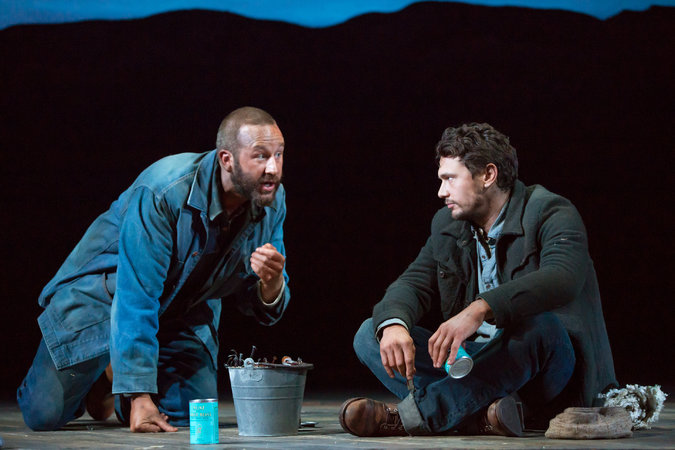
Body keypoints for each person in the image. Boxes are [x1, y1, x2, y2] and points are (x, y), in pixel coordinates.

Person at [17, 106, 291, 433]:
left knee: (192, 415)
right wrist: (139, 394)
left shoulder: (270, 199)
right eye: (260, 156)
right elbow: (136, 293)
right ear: (226, 159)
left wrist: (272, 283)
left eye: (278, 154)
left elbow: (257, 297)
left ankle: (113, 380)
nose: (273, 168)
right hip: (105, 299)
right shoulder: (163, 191)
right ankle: (118, 374)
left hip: (183, 311)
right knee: (43, 414)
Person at [340, 122, 617, 437]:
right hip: (474, 365)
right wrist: (394, 325)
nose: (441, 191)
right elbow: (413, 283)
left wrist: (481, 308)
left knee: (541, 327)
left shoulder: (551, 211)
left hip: (542, 369)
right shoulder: (448, 224)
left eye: (450, 179)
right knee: (371, 333)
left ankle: (410, 418)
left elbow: (563, 277)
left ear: (488, 175)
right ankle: (484, 415)